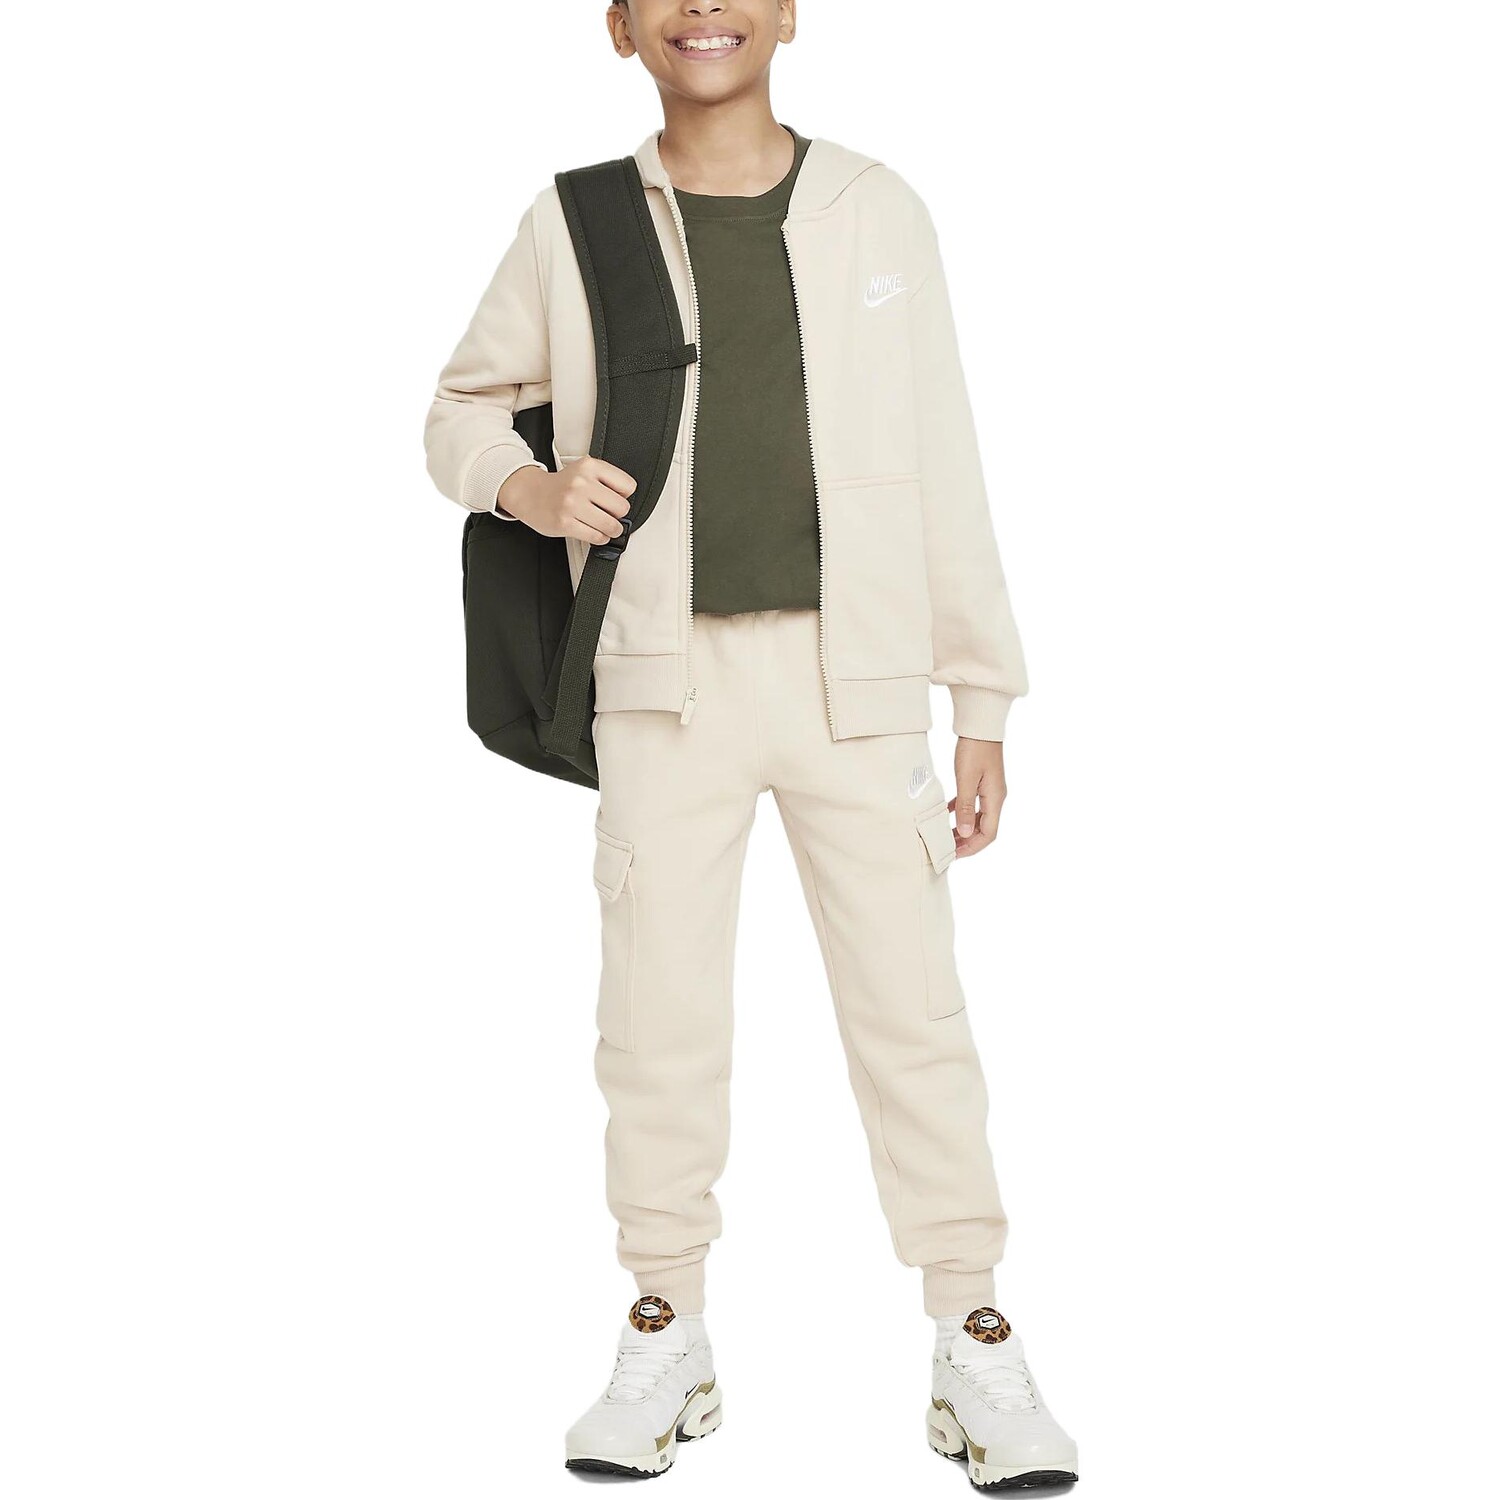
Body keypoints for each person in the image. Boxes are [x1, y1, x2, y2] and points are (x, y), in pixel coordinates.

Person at [423, 1, 1078, 1486]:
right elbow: (460, 410)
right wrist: (531, 490)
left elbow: (945, 458)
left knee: (914, 1014)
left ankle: (972, 1335)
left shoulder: (878, 210)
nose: (703, 7)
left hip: (862, 683)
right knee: (655, 1023)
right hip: (661, 687)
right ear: (620, 27)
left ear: (788, 13)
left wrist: (981, 696)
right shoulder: (577, 221)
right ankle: (666, 1331)